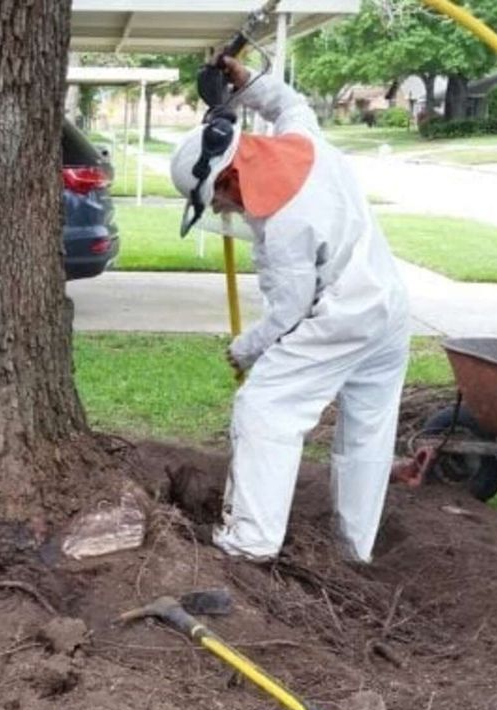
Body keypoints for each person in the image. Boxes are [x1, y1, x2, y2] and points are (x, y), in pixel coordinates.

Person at [168, 57, 411, 564]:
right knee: (367, 428)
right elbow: (290, 104)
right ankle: (353, 549)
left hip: (344, 315)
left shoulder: (287, 228)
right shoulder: (305, 144)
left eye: (216, 197)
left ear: (233, 173)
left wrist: (246, 348)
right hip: (389, 307)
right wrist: (248, 83)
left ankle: (250, 542)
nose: (220, 209)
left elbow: (290, 313)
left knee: (266, 407)